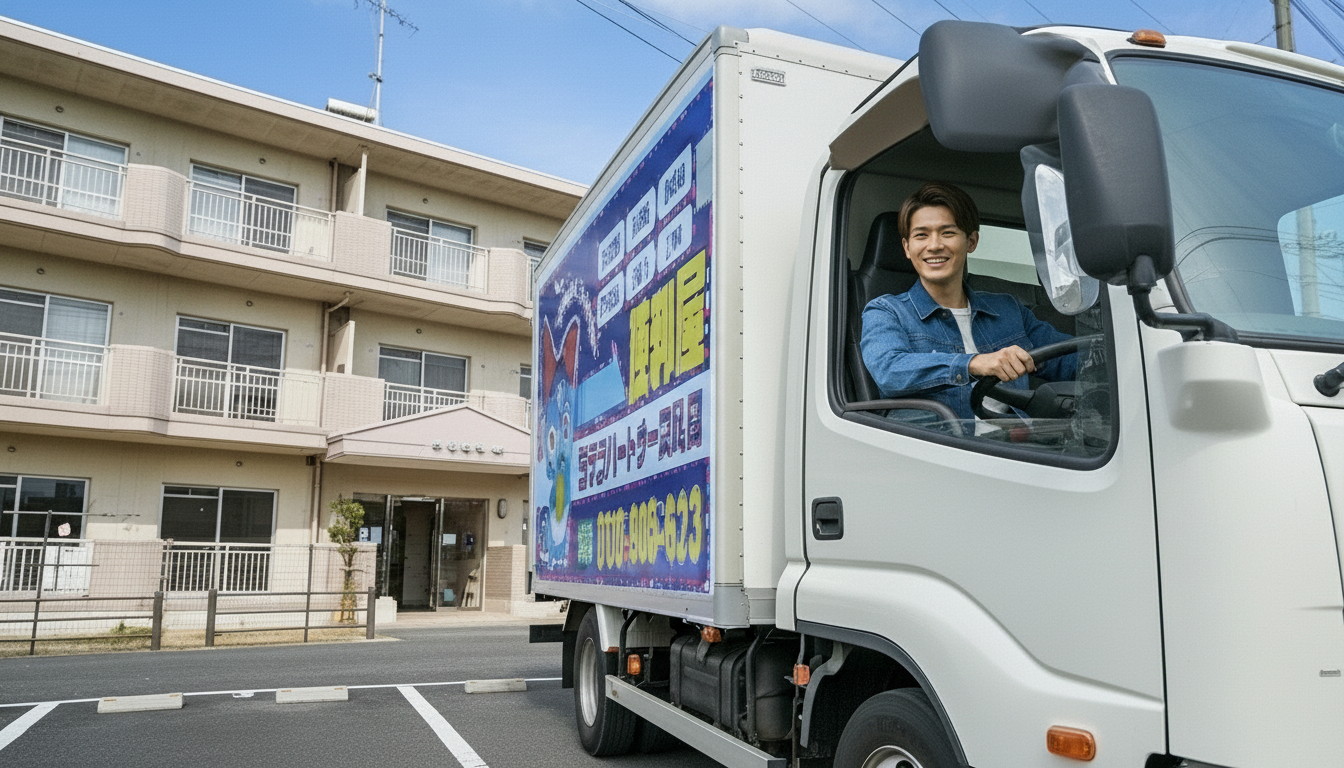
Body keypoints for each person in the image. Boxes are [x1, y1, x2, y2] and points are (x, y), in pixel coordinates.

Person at [860, 181, 1075, 425]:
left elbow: (1071, 359)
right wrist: (975, 363)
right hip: (945, 449)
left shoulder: (1009, 310)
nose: (934, 245)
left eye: (947, 233)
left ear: (971, 241)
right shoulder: (886, 311)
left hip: (1018, 447)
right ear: (907, 248)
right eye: (921, 235)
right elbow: (889, 370)